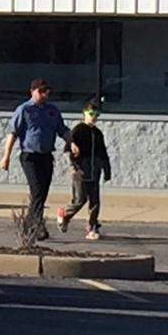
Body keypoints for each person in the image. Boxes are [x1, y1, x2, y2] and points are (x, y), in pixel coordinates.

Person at [0, 78, 74, 239]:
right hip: (30, 156)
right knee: (37, 190)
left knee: (42, 193)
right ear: (32, 91)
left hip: (46, 156)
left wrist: (71, 143)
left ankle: (29, 225)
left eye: (47, 91)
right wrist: (6, 157)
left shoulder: (52, 110)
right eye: (41, 91)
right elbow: (12, 133)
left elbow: (62, 130)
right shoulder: (24, 110)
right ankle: (37, 227)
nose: (44, 94)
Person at [56, 98, 111, 240]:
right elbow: (69, 147)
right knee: (80, 199)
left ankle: (92, 226)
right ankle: (65, 215)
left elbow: (103, 152)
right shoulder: (78, 130)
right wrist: (75, 162)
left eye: (97, 115)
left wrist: (106, 169)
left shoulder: (97, 133)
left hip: (94, 170)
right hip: (80, 170)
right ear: (84, 113)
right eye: (91, 114)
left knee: (95, 201)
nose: (94, 117)